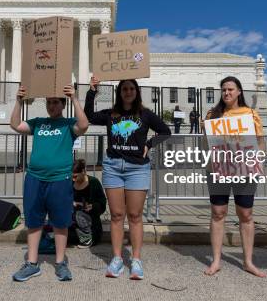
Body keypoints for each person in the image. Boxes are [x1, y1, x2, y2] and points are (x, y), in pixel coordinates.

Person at [85, 76, 171, 280]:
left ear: (136, 91)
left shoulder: (145, 114)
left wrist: (149, 145)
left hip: (137, 169)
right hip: (113, 167)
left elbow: (165, 131)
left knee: (134, 215)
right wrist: (92, 91)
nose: (128, 91)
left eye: (132, 88)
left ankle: (136, 260)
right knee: (116, 215)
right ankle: (116, 259)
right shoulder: (110, 114)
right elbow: (88, 115)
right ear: (119, 92)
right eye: (124, 88)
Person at [10, 84, 89, 282]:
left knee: (60, 223)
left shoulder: (69, 124)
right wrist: (19, 100)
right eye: (49, 102)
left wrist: (74, 99)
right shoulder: (38, 123)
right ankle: (32, 263)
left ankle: (61, 263)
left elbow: (84, 125)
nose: (51, 106)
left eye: (55, 102)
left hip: (59, 180)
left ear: (62, 105)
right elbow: (15, 125)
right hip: (35, 178)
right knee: (34, 221)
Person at [203, 76, 266, 278]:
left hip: (245, 169)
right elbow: (207, 143)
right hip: (218, 168)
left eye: (231, 89)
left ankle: (248, 261)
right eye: (224, 90)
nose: (227, 93)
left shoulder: (250, 114)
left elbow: (259, 141)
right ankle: (216, 260)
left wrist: (260, 161)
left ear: (239, 91)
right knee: (218, 212)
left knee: (245, 214)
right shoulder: (213, 114)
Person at [69, 159, 107, 248]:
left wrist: (93, 206)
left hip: (90, 223)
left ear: (83, 171)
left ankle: (87, 238)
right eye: (71, 177)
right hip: (73, 223)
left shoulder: (94, 182)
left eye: (75, 176)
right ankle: (80, 237)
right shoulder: (70, 183)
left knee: (78, 214)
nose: (73, 179)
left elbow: (102, 204)